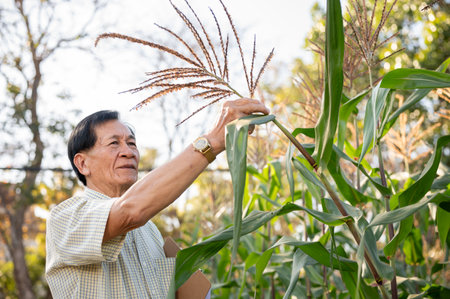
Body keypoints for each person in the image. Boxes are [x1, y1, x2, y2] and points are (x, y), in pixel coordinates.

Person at [45, 98, 269, 298]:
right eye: (114, 143)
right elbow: (129, 211)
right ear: (82, 163)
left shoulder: (150, 231)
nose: (129, 152)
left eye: (131, 143)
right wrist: (211, 142)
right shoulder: (65, 219)